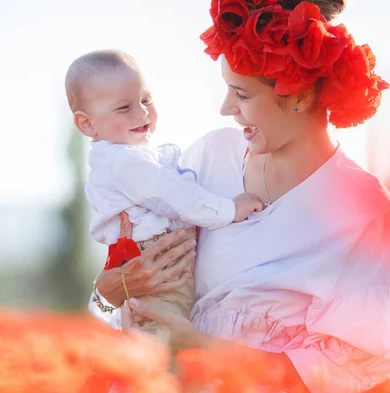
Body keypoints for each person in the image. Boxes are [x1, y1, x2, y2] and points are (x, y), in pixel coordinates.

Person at [89, 1, 390, 393]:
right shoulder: (209, 157)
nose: (225, 108)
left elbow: (343, 371)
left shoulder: (364, 210)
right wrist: (108, 291)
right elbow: (139, 284)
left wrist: (205, 349)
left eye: (242, 94)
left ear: (298, 93)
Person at [65, 49, 263, 340]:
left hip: (151, 262)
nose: (142, 113)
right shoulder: (124, 162)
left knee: (161, 334)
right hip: (156, 265)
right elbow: (173, 196)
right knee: (165, 341)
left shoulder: (123, 158)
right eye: (124, 108)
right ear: (87, 124)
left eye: (146, 100)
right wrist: (230, 210)